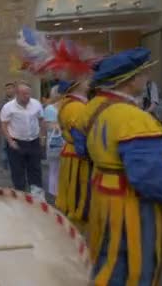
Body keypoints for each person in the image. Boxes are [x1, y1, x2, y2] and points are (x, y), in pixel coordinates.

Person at [72, 48, 162, 285]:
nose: (147, 78)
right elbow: (150, 178)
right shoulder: (133, 118)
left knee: (107, 258)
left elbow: (81, 149)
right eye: (144, 73)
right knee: (137, 264)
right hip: (131, 204)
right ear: (130, 80)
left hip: (102, 195)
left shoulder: (92, 108)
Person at [55, 79, 91, 229]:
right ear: (77, 84)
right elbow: (80, 137)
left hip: (72, 153)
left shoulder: (72, 103)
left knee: (74, 195)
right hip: (77, 158)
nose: (90, 80)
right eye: (85, 78)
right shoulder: (76, 106)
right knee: (78, 195)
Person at [0, 82, 46, 198]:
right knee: (18, 172)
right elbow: (4, 125)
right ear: (17, 94)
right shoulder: (8, 107)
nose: (27, 96)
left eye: (28, 93)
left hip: (34, 141)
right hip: (17, 142)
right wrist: (10, 142)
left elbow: (41, 120)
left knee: (35, 170)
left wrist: (42, 137)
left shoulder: (36, 104)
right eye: (24, 94)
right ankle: (21, 197)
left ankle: (38, 198)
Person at [43, 85, 61, 199]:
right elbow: (49, 126)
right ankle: (53, 193)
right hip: (55, 142)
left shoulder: (66, 107)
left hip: (65, 142)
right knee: (54, 168)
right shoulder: (50, 109)